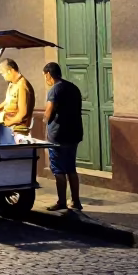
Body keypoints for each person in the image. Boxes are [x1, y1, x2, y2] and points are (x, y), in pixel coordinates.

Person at [43, 62, 84, 212]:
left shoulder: (54, 90)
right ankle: (76, 201)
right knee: (71, 168)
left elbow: (48, 112)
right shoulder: (73, 87)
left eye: (45, 76)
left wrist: (44, 122)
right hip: (74, 134)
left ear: (48, 74)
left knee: (59, 171)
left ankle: (61, 201)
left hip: (58, 136)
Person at [0, 58, 35, 134]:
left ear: (10, 71)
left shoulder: (22, 85)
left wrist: (7, 123)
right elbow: (7, 102)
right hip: (8, 126)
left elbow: (22, 114)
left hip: (17, 129)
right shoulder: (12, 84)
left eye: (3, 73)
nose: (3, 77)